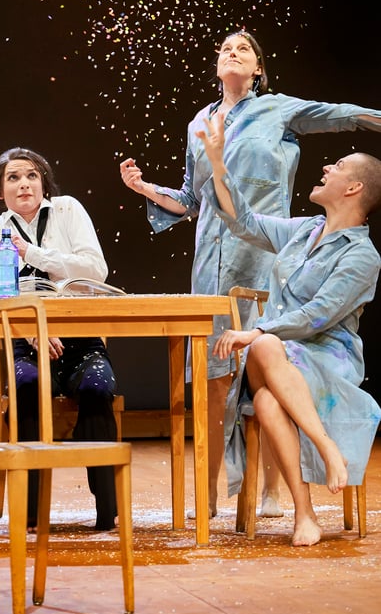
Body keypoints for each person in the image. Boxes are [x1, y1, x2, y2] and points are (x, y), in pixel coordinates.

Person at [120, 30, 381, 518]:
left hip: (265, 256)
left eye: (242, 50)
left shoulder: (280, 109)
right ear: (217, 66)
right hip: (211, 262)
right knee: (214, 379)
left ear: (258, 68)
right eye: (223, 49)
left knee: (262, 367)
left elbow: (343, 114)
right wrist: (144, 189)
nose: (232, 54)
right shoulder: (200, 121)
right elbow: (192, 201)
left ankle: (269, 491)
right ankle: (211, 492)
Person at [197, 109, 381, 545]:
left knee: (264, 395)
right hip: (280, 354)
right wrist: (219, 162)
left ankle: (306, 511)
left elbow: (319, 314)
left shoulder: (362, 256)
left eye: (336, 168)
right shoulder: (304, 232)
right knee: (265, 356)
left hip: (325, 359)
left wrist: (258, 332)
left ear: (353, 188)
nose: (325, 168)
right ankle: (323, 460)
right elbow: (243, 222)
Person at [0, 146, 119, 531]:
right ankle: (29, 513)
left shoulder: (68, 210)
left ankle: (107, 513)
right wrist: (35, 333)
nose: (23, 183)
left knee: (97, 387)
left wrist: (34, 254)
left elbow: (96, 269)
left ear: (43, 182)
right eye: (13, 178)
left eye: (31, 176)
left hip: (79, 337)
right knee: (28, 385)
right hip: (29, 340)